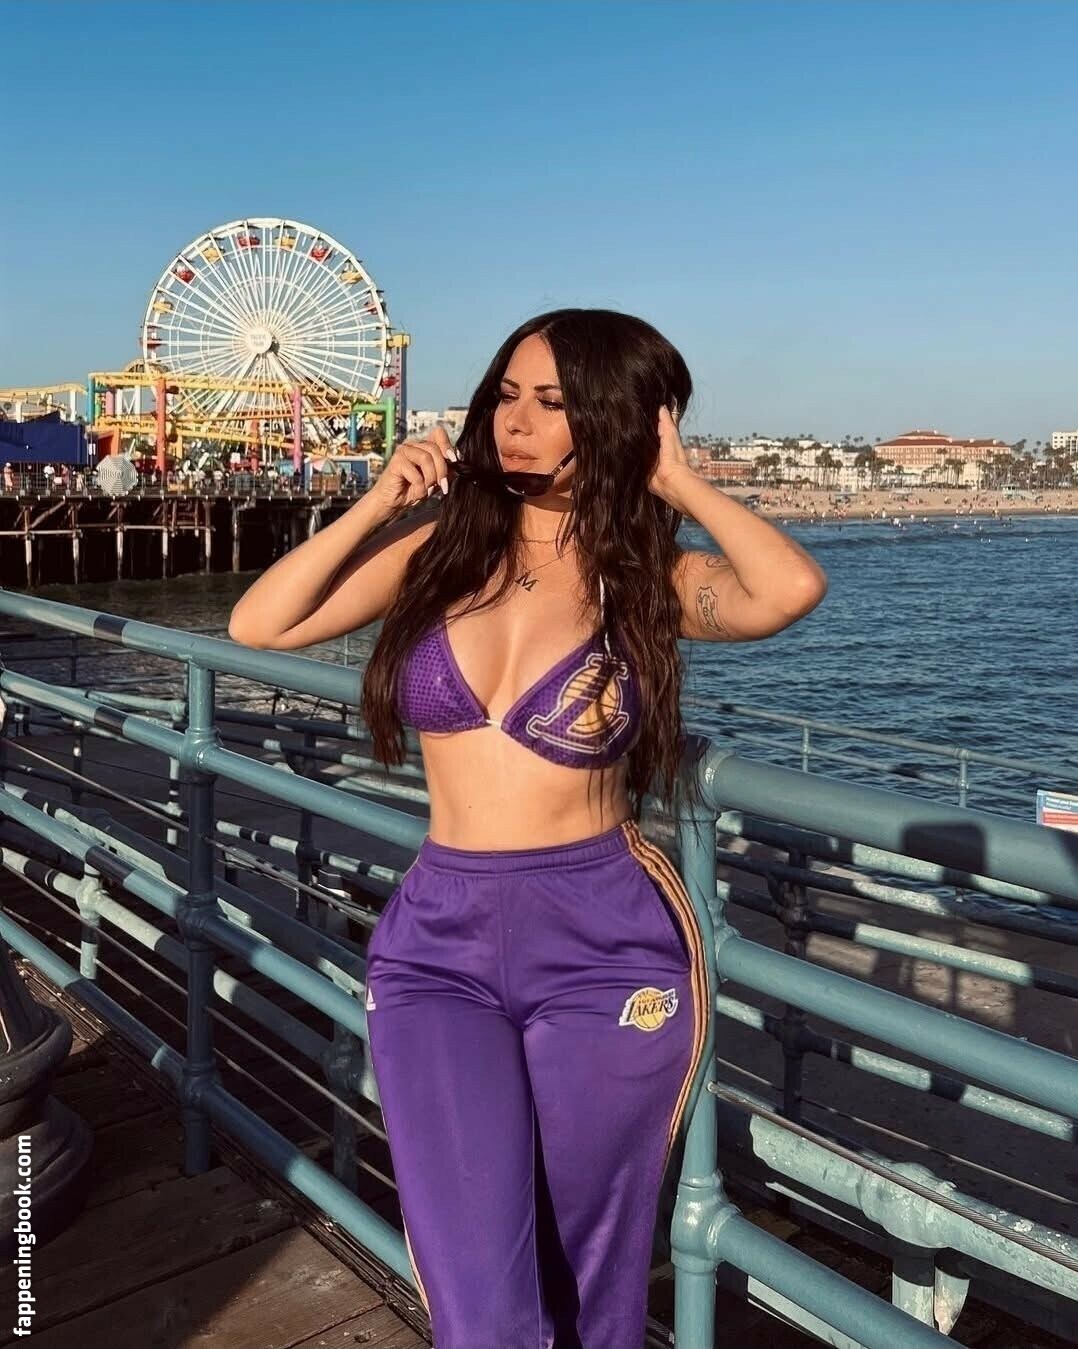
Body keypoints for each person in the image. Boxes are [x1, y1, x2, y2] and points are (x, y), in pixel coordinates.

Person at [228, 309, 827, 1347]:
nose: (515, 421)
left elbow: (789, 589)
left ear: (616, 420)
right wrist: (379, 499)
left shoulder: (648, 580)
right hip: (438, 944)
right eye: (507, 394)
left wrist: (677, 482)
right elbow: (259, 623)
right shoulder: (436, 552)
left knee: (591, 1273)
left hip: (605, 940)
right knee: (479, 1295)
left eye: (552, 403)